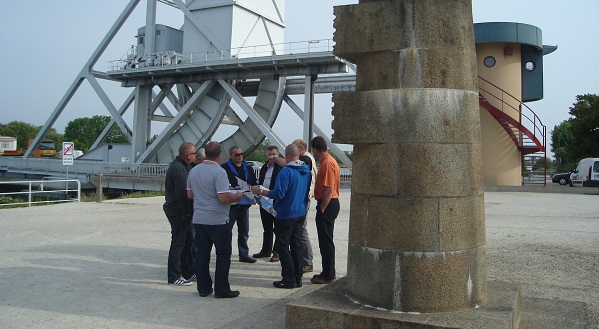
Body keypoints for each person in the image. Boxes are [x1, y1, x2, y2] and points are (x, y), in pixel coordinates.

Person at [187, 141, 245, 298]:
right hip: (218, 220)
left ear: (205, 153)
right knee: (223, 255)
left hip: (199, 219)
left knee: (202, 255)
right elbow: (223, 197)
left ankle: (204, 288)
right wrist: (239, 195)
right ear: (220, 155)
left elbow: (190, 195)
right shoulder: (219, 172)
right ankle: (222, 289)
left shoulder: (194, 170)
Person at [251, 144, 310, 289]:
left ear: (286, 155)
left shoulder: (286, 171)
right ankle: (298, 277)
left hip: (286, 213)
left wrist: (261, 192)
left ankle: (289, 278)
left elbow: (278, 194)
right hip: (300, 211)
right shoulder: (306, 170)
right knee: (296, 245)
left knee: (283, 247)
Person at [163, 142, 196, 286]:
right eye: (194, 153)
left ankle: (187, 271)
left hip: (176, 210)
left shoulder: (178, 166)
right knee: (178, 244)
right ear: (188, 155)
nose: (195, 156)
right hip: (178, 213)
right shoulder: (180, 170)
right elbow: (182, 195)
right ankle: (174, 276)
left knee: (187, 242)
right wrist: (187, 213)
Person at [310, 136, 341, 284]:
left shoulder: (327, 163)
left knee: (326, 241)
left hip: (328, 204)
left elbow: (329, 189)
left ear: (315, 150)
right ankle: (326, 271)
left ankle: (328, 274)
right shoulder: (328, 160)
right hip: (329, 203)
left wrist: (322, 208)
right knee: (325, 240)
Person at [221, 146, 258, 263]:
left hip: (245, 203)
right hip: (230, 205)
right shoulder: (224, 168)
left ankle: (244, 254)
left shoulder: (247, 167)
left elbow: (253, 182)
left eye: (241, 154)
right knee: (227, 231)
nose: (240, 156)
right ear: (230, 156)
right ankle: (225, 254)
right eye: (236, 155)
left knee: (244, 231)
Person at [252, 145, 285, 261]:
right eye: (269, 154)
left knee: (278, 228)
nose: (271, 157)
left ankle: (277, 252)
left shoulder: (281, 167)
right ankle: (266, 250)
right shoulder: (265, 167)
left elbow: (286, 164)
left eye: (274, 154)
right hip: (264, 199)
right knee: (267, 227)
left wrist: (276, 160)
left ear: (278, 155)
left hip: (275, 199)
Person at [292, 139, 316, 273]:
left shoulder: (305, 159)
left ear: (300, 149)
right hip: (304, 198)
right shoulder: (309, 158)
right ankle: (304, 260)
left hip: (303, 199)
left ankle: (307, 261)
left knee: (301, 231)